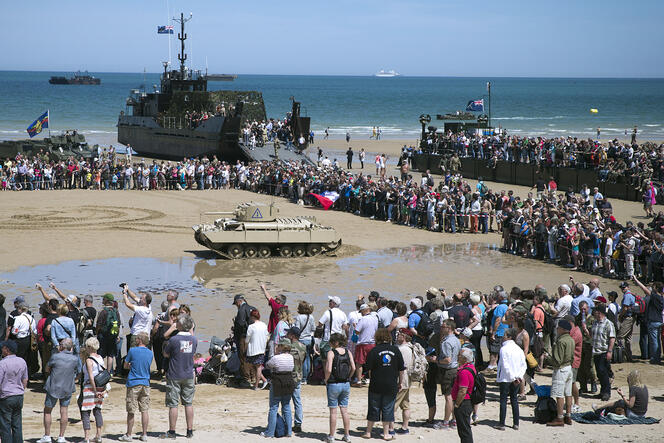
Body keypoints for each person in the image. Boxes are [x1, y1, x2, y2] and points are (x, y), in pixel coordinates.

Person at [362, 328, 405, 440]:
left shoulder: (374, 351)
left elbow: (369, 369)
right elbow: (401, 369)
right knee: (388, 408)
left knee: (373, 407)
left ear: (377, 337)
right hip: (391, 384)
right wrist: (400, 382)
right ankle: (386, 433)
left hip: (376, 383)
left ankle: (368, 432)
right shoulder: (395, 350)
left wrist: (373, 379)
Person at [37, 338, 81, 443]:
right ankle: (61, 437)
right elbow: (79, 372)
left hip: (53, 386)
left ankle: (47, 436)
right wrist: (74, 379)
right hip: (67, 386)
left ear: (62, 346)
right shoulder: (75, 359)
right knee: (64, 411)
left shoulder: (55, 356)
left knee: (47, 411)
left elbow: (47, 369)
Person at [162, 314, 197, 439]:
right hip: (188, 374)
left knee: (173, 404)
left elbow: (166, 354)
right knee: (188, 403)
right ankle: (189, 430)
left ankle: (172, 431)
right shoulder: (194, 339)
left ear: (180, 325)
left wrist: (171, 329)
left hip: (175, 374)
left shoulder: (174, 340)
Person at [119, 332, 153, 442]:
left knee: (131, 410)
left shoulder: (133, 350)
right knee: (144, 410)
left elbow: (125, 365)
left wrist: (130, 366)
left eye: (137, 338)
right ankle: (144, 434)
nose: (136, 339)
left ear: (140, 340)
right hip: (145, 382)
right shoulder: (150, 353)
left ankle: (129, 434)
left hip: (134, 382)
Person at [261, 338, 295, 438]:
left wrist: (275, 353)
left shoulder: (276, 358)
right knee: (286, 406)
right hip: (288, 382)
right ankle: (289, 431)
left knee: (273, 408)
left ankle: (270, 432)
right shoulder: (291, 357)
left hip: (277, 382)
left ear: (281, 347)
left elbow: (267, 365)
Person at [325, 332, 355, 443]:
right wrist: (349, 377)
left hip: (334, 383)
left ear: (334, 342)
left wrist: (326, 379)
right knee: (344, 410)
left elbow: (328, 369)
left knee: (333, 412)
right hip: (345, 383)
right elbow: (353, 367)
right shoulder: (348, 352)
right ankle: (347, 435)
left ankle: (331, 436)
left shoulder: (331, 353)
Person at [545, 320, 575, 427]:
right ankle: (568, 415)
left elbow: (557, 360)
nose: (557, 330)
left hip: (560, 369)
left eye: (558, 328)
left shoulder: (560, 341)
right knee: (568, 393)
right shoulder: (571, 340)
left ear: (562, 329)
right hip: (569, 368)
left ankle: (559, 417)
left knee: (559, 395)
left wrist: (547, 358)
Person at [496, 328, 526, 430]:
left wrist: (513, 377)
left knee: (503, 400)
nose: (503, 337)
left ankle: (502, 423)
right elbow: (523, 365)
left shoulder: (504, 349)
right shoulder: (519, 349)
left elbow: (505, 365)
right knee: (514, 400)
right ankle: (516, 423)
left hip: (506, 378)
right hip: (516, 378)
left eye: (504, 335)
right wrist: (519, 377)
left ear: (509, 337)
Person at [434, 319, 461, 430]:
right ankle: (454, 420)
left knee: (448, 397)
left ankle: (445, 422)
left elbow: (447, 360)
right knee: (454, 396)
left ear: (449, 328)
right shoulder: (456, 340)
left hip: (448, 371)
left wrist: (436, 360)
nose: (441, 328)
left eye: (443, 326)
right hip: (455, 369)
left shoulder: (446, 342)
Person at [80, 337, 108, 443]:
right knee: (97, 411)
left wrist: (95, 390)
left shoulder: (88, 360)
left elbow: (91, 376)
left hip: (90, 388)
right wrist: (102, 390)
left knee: (86, 412)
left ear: (90, 347)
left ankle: (87, 437)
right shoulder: (100, 358)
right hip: (100, 386)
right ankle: (98, 435)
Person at [0, 340, 28, 443]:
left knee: (5, 425)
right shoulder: (22, 361)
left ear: (7, 350)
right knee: (17, 424)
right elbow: (25, 380)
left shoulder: (2, 363)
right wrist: (20, 390)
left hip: (6, 396)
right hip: (18, 395)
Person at [391, 328, 415, 435]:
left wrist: (398, 382)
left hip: (401, 380)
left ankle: (390, 429)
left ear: (404, 336)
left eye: (399, 334)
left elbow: (400, 367)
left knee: (393, 405)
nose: (397, 336)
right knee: (406, 405)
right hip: (407, 380)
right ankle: (405, 427)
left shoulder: (403, 349)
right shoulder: (410, 347)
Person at [591, 304, 616, 402]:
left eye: (595, 311)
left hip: (604, 351)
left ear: (599, 313)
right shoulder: (595, 323)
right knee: (599, 372)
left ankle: (607, 392)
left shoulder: (608, 324)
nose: (594, 313)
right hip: (596, 351)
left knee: (603, 371)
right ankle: (602, 391)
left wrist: (609, 351)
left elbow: (612, 338)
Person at [452, 348, 476, 443]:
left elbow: (462, 391)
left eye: (460, 356)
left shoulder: (464, 372)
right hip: (467, 402)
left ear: (465, 359)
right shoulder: (471, 367)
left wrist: (457, 405)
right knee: (465, 429)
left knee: (464, 431)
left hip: (463, 403)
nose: (458, 357)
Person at [286, 327, 306, 433]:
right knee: (297, 401)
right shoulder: (303, 346)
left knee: (286, 401)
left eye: (288, 333)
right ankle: (298, 423)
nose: (287, 335)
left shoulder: (289, 347)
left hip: (290, 376)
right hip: (298, 375)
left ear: (292, 335)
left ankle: (288, 423)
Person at [353, 303, 378, 386]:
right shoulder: (375, 318)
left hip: (363, 343)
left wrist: (355, 326)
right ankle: (372, 380)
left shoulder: (363, 319)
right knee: (372, 363)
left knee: (359, 363)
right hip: (372, 343)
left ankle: (359, 381)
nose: (361, 313)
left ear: (364, 310)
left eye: (361, 312)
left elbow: (357, 331)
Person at [232, 294, 255, 385]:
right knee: (252, 356)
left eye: (236, 304)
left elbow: (241, 324)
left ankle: (246, 378)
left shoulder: (241, 310)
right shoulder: (252, 308)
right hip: (253, 336)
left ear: (239, 301)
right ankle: (253, 376)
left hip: (243, 337)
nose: (236, 306)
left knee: (243, 357)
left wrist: (234, 328)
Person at [95, 293, 120, 374]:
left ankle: (101, 372)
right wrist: (117, 335)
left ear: (106, 300)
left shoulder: (103, 312)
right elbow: (118, 324)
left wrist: (96, 333)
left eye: (104, 299)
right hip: (113, 336)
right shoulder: (116, 312)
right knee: (110, 355)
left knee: (101, 355)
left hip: (103, 336)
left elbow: (98, 324)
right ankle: (109, 372)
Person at [246, 309, 269, 390]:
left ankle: (256, 386)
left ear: (252, 317)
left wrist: (246, 345)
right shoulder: (264, 325)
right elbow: (266, 337)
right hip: (261, 348)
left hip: (253, 349)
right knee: (256, 366)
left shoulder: (251, 327)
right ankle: (264, 380)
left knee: (257, 367)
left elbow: (247, 339)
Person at [294, 301, 315, 383]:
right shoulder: (311, 317)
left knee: (301, 360)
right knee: (308, 359)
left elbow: (297, 330)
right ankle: (306, 378)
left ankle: (303, 378)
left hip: (301, 340)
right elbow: (313, 329)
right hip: (309, 339)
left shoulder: (299, 317)